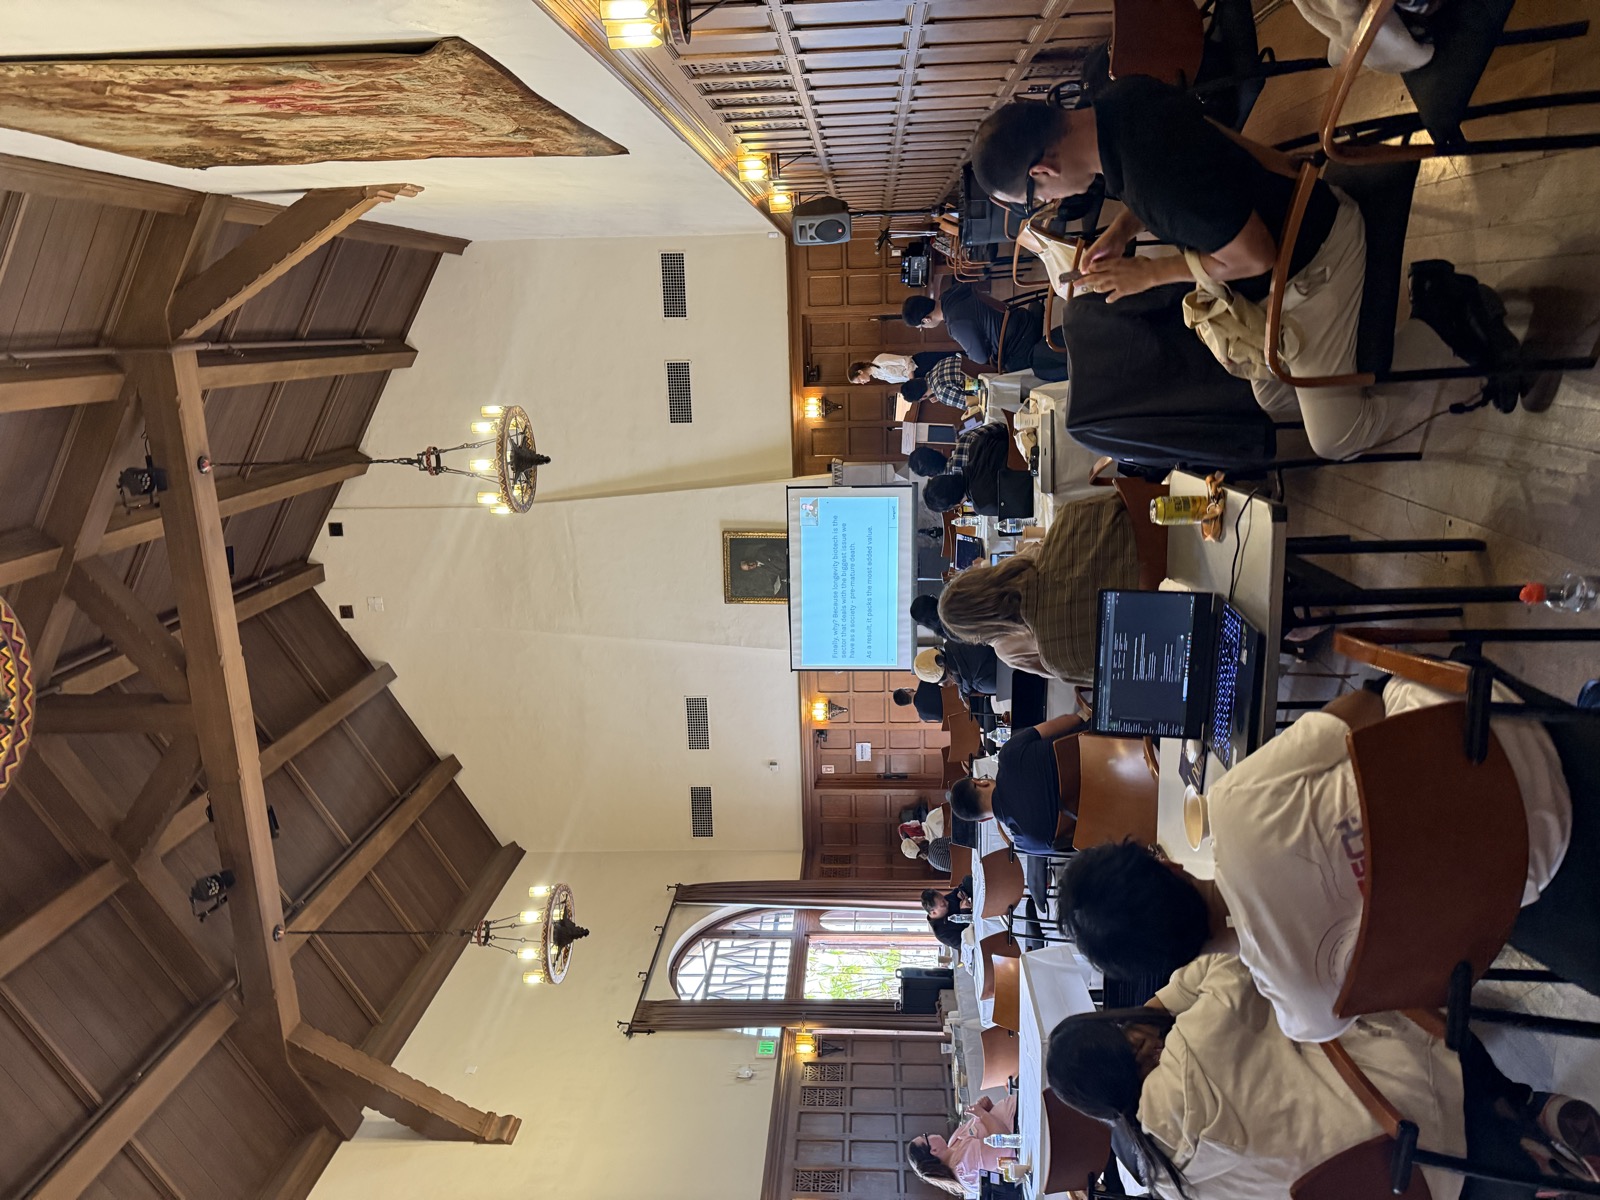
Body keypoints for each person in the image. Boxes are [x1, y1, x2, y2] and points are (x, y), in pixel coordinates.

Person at [968, 84, 1523, 459]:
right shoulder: (1118, 102)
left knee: (1335, 439)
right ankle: (1410, 338)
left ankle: (1451, 329)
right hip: (1292, 209)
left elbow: (1257, 257)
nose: (1047, 203)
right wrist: (1122, 232)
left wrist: (1152, 274)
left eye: (1032, 200)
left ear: (1042, 170)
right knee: (1273, 396)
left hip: (1316, 252)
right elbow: (1182, 171)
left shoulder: (1151, 183)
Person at [1059, 677, 1583, 1043]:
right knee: (1389, 690)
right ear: (1168, 865)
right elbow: (1363, 709)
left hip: (1523, 870)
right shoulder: (1236, 803)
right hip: (1500, 742)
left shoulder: (1301, 1008)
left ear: (1176, 966)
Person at [1044, 953, 1600, 1200]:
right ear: (1131, 1038)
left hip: (1390, 1190)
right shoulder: (1190, 1048)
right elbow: (1233, 965)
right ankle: (1524, 1116)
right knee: (1368, 1011)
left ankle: (1531, 1132)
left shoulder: (1154, 1171)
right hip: (1409, 1118)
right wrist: (1158, 1006)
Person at [937, 491, 1139, 684]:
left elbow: (1126, 680)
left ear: (984, 632)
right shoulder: (1068, 520)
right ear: (981, 573)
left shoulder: (1059, 659)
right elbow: (1134, 495)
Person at [947, 714, 1086, 854]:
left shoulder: (1025, 841)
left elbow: (1078, 847)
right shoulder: (1009, 752)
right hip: (1101, 747)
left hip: (1103, 817)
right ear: (981, 782)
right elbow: (1072, 720)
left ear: (984, 820)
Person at [903, 284, 1043, 373]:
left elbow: (980, 358)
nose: (925, 328)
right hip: (1017, 316)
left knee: (1013, 379)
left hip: (1017, 340)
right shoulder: (952, 292)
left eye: (922, 327)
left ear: (926, 319)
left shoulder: (956, 323)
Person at [907, 1093, 1020, 1196]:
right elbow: (1005, 1145)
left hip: (1017, 1109)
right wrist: (981, 1114)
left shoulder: (952, 1142)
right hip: (1023, 1130)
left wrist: (988, 1109)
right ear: (934, 1151)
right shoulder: (965, 1168)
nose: (929, 1133)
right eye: (925, 1136)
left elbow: (986, 1127)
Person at [917, 422, 1011, 515]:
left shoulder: (983, 505)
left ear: (957, 504)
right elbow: (1003, 429)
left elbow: (1018, 512)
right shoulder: (974, 448)